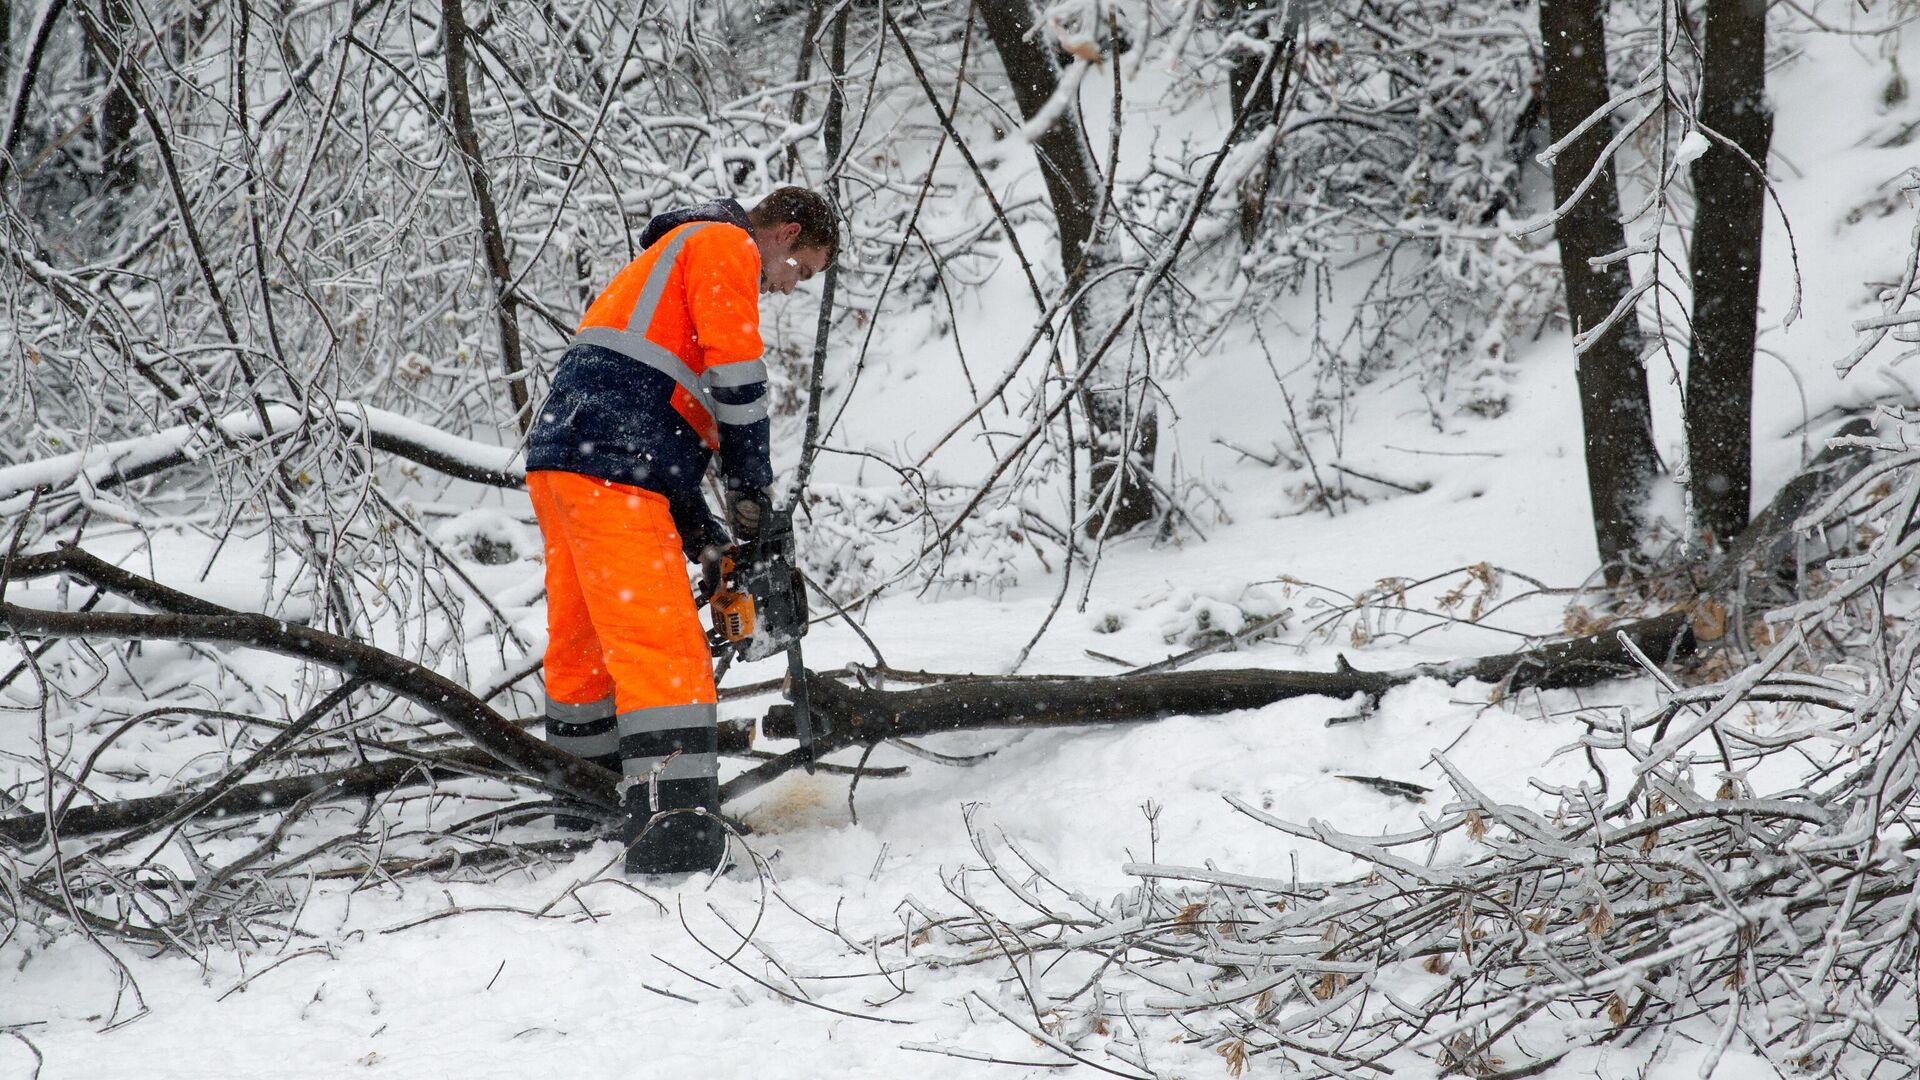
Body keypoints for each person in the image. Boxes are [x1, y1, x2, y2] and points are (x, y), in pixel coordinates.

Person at [525, 187, 837, 875]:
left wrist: (705, 534)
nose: (789, 287)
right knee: (665, 656)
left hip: (567, 460)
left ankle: (587, 818)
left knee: (585, 655)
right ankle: (678, 841)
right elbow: (737, 382)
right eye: (802, 271)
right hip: (613, 470)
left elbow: (655, 419)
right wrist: (753, 492)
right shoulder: (725, 245)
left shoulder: (674, 258)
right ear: (784, 235)